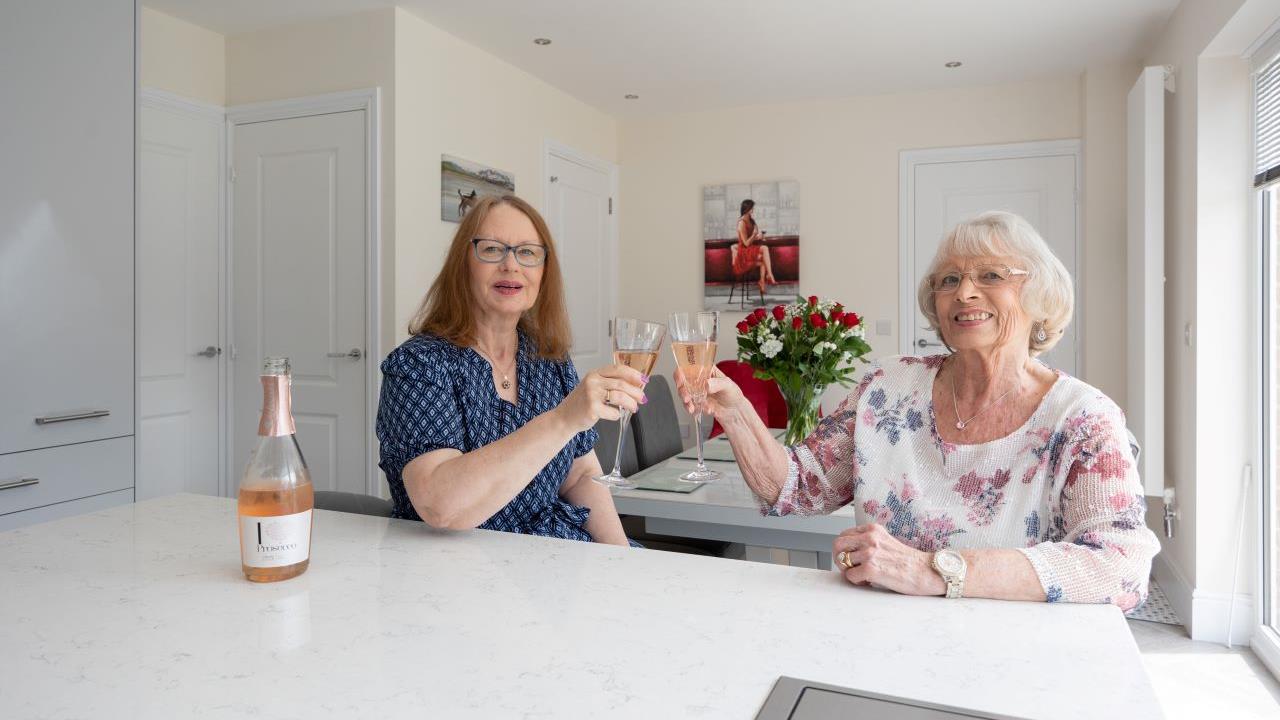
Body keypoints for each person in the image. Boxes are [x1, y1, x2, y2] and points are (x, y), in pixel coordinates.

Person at [681, 211, 1158, 607]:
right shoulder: (889, 387)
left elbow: (1122, 569)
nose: (964, 292)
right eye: (949, 280)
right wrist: (736, 409)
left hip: (1015, 660)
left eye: (990, 275)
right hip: (879, 641)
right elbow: (794, 488)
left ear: (1040, 296)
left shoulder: (1081, 418)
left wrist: (933, 570)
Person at [377, 194, 643, 546]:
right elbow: (441, 507)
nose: (511, 265)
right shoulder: (420, 366)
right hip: (454, 574)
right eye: (491, 249)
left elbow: (580, 474)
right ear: (463, 264)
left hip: (553, 556)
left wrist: (620, 556)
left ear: (544, 272)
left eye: (528, 252)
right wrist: (563, 419)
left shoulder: (550, 359)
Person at [731, 199, 776, 297]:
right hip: (743, 252)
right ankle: (769, 275)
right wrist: (755, 234)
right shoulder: (741, 223)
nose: (753, 210)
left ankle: (762, 281)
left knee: (764, 259)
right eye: (752, 208)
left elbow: (752, 238)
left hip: (749, 250)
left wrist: (758, 236)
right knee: (764, 248)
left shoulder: (751, 220)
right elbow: (746, 243)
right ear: (747, 208)